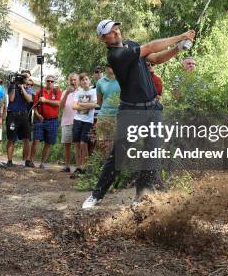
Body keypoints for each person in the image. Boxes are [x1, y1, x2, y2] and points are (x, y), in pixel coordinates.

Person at [82, 19, 195, 209]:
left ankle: (142, 196)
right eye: (111, 31)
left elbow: (156, 58)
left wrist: (178, 49)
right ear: (103, 39)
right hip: (131, 110)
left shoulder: (132, 45)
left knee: (153, 151)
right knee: (120, 153)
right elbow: (151, 46)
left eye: (116, 28)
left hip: (153, 108)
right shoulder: (116, 55)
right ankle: (97, 194)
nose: (116, 31)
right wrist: (181, 36)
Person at [31, 75, 62, 168]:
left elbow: (58, 103)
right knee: (36, 140)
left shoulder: (57, 91)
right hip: (40, 119)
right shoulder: (39, 92)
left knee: (48, 142)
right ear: (45, 81)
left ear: (54, 83)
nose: (50, 83)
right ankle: (30, 161)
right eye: (48, 81)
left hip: (52, 120)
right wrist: (38, 115)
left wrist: (45, 101)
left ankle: (42, 163)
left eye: (52, 81)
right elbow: (34, 107)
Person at [71, 73, 98, 178]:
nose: (84, 81)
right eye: (82, 80)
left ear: (89, 81)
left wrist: (81, 104)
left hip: (88, 121)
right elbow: (74, 106)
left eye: (86, 79)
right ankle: (78, 168)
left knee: (84, 144)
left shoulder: (94, 91)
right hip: (77, 120)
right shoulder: (78, 92)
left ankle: (85, 167)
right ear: (80, 82)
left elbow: (94, 105)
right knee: (77, 144)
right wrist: (87, 105)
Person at [6, 73, 34, 167]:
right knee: (11, 139)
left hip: (24, 116)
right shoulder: (12, 86)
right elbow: (11, 99)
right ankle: (9, 161)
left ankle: (27, 161)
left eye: (26, 78)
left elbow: (29, 99)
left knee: (26, 138)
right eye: (24, 77)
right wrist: (14, 86)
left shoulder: (27, 88)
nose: (25, 79)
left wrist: (22, 88)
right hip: (12, 115)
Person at [96, 65, 121, 152]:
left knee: (112, 144)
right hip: (103, 116)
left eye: (112, 64)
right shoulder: (100, 82)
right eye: (108, 65)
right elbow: (99, 101)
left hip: (117, 116)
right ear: (105, 67)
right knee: (101, 143)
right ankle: (102, 165)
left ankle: (111, 165)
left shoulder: (122, 79)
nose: (110, 66)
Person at [59, 73, 79, 173]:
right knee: (67, 145)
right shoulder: (64, 92)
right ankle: (67, 166)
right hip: (66, 121)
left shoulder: (82, 92)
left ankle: (78, 167)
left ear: (78, 81)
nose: (73, 82)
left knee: (77, 145)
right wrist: (67, 93)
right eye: (71, 80)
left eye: (75, 80)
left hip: (78, 122)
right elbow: (61, 106)